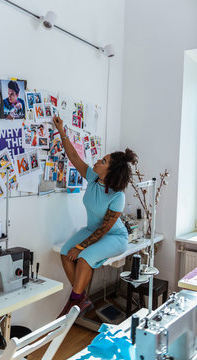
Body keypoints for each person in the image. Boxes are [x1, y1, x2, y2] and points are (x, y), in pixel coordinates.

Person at [53, 116, 138, 317]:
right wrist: (61, 131)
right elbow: (74, 157)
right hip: (92, 230)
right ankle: (80, 298)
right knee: (65, 253)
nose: (98, 161)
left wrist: (80, 247)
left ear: (110, 171)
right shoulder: (92, 178)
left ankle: (73, 303)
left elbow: (104, 229)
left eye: (103, 161)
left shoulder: (117, 197)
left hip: (114, 237)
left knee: (83, 258)